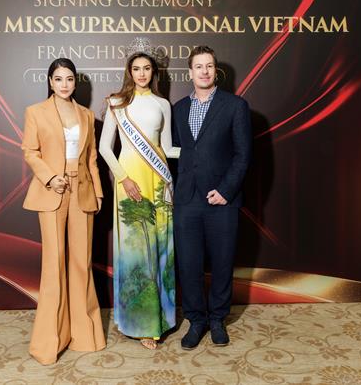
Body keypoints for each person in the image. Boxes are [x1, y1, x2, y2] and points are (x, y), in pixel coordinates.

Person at [22, 58, 106, 365]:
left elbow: (92, 158)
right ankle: (49, 342)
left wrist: (98, 192)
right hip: (52, 191)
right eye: (58, 79)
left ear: (75, 82)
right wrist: (49, 177)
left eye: (69, 78)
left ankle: (85, 335)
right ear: (50, 82)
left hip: (82, 191)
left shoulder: (87, 115)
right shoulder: (35, 112)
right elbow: (30, 151)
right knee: (54, 264)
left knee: (82, 263)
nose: (64, 84)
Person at [99, 41, 180, 350]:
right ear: (129, 71)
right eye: (136, 69)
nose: (142, 73)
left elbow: (168, 148)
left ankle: (161, 318)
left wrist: (199, 152)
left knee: (160, 247)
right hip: (129, 181)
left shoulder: (162, 104)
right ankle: (139, 322)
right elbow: (105, 148)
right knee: (135, 251)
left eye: (147, 68)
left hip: (158, 181)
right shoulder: (117, 102)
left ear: (153, 71)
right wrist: (124, 179)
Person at [172, 45, 252, 349]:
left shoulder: (235, 106)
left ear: (215, 71)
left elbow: (243, 155)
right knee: (189, 264)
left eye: (209, 66)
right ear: (190, 72)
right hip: (187, 199)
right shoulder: (179, 108)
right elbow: (176, 153)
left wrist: (226, 191)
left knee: (222, 262)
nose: (204, 71)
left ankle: (218, 319)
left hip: (221, 200)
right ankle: (196, 320)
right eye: (198, 66)